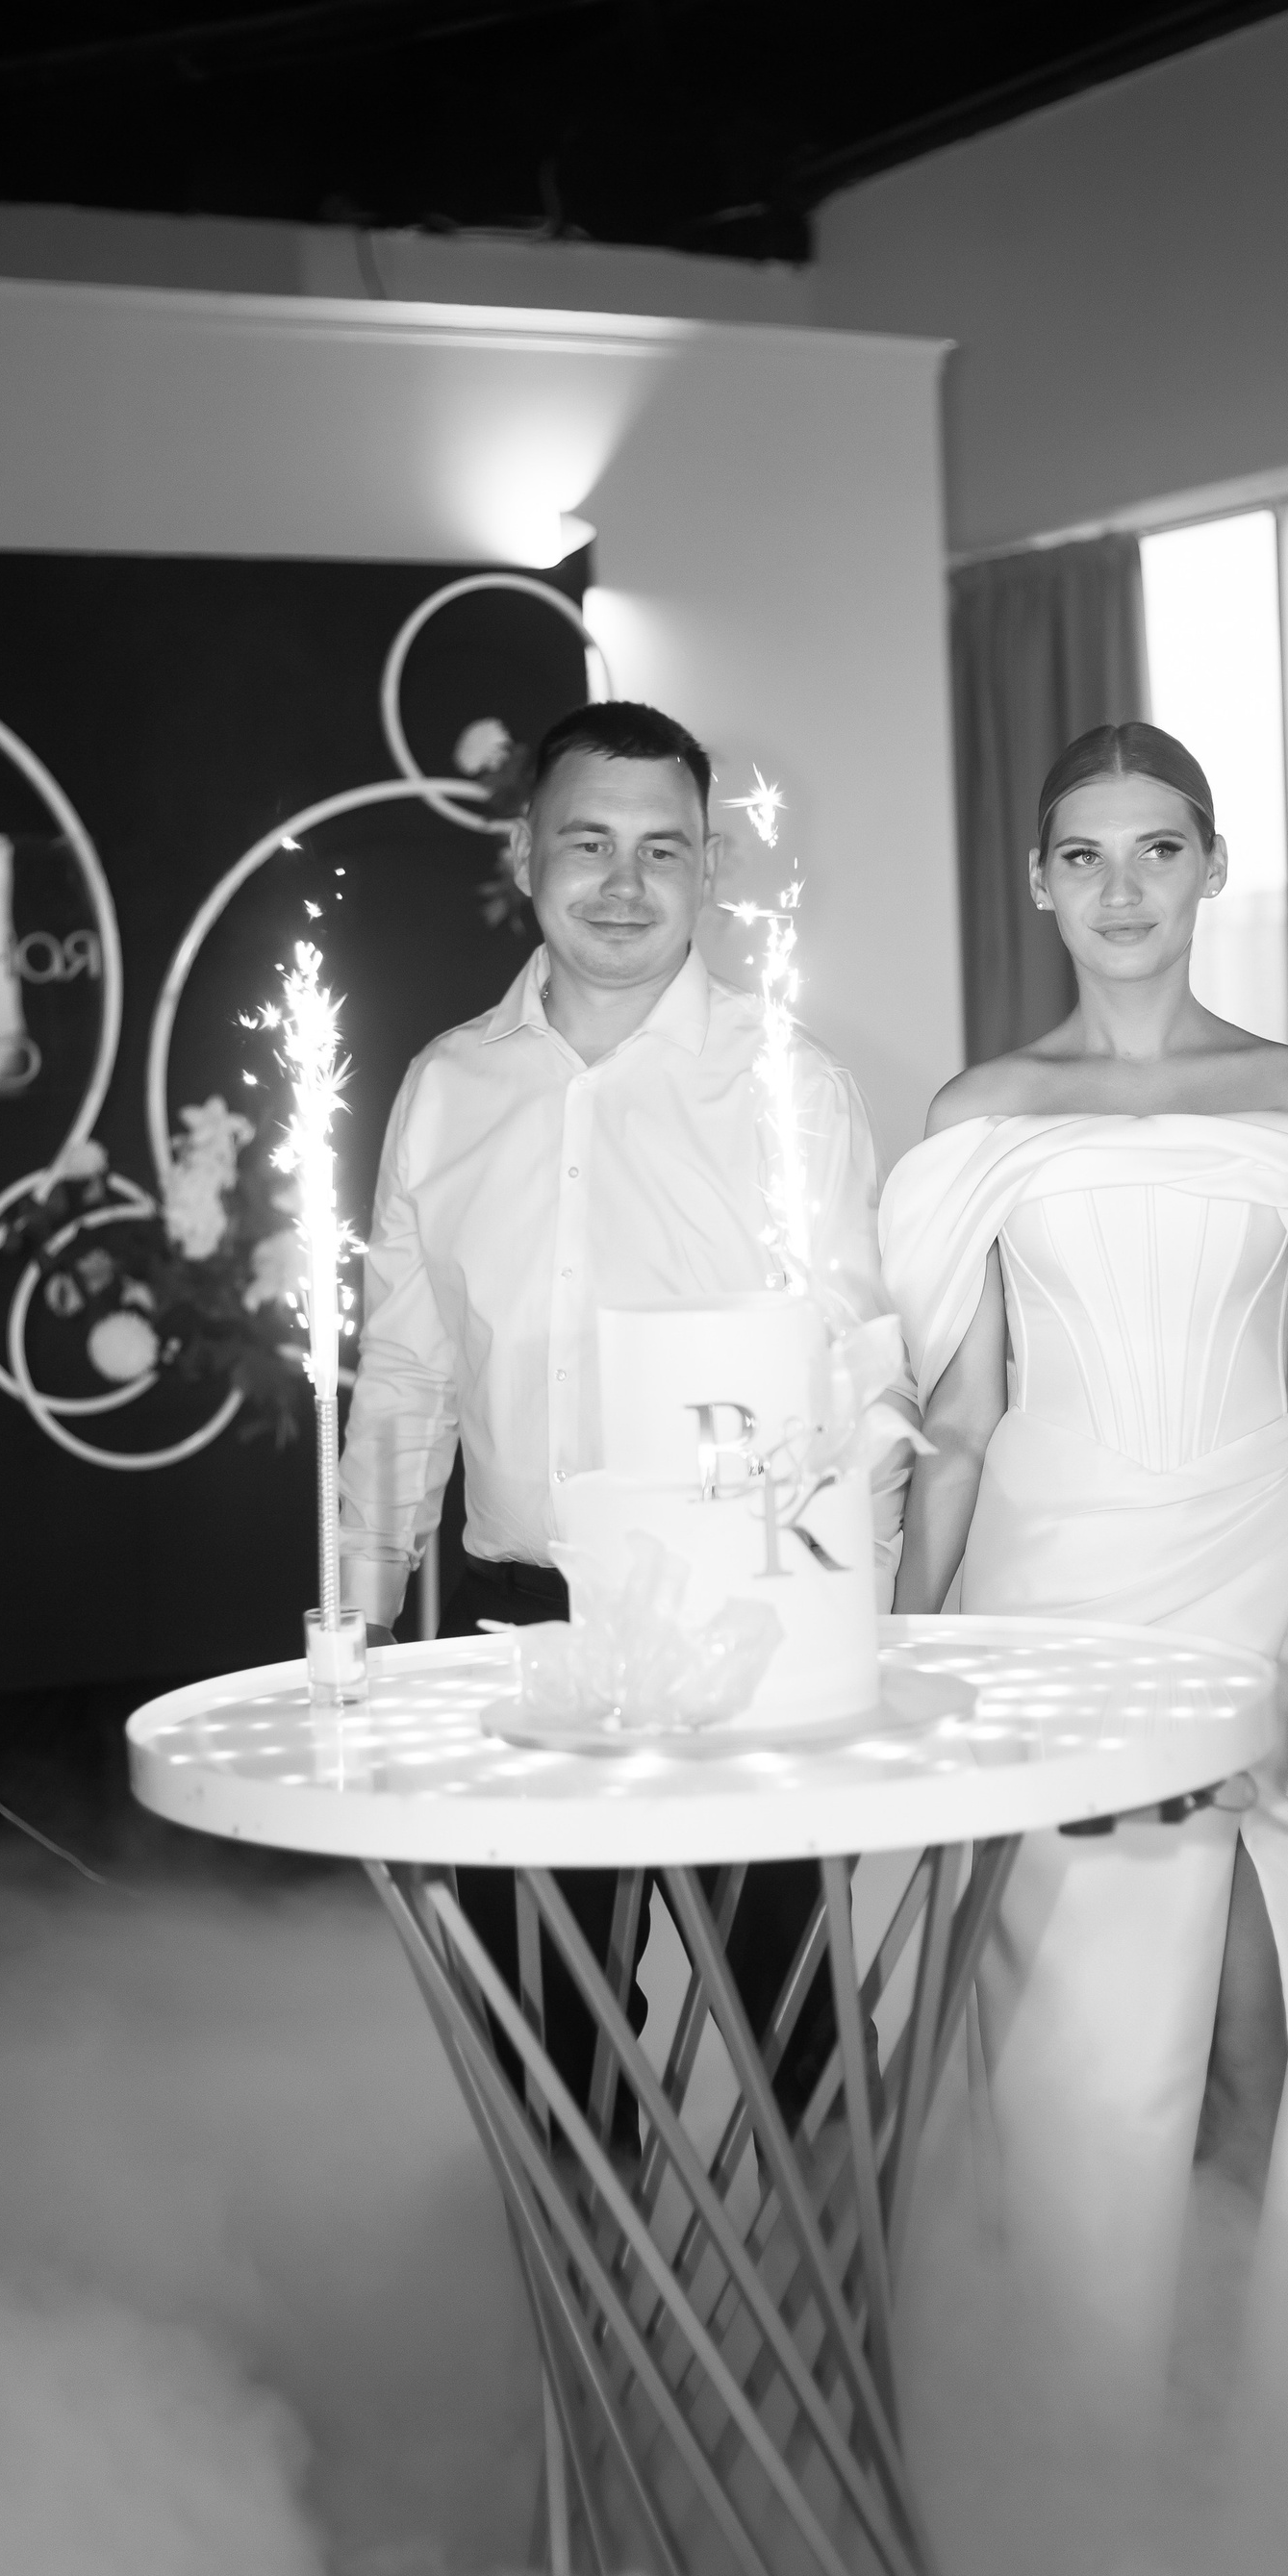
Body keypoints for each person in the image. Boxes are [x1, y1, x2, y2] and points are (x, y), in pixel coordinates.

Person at [882, 720, 1288, 2498]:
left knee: (1258, 2032)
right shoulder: (979, 1114)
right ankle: (1072, 2428)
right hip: (1046, 1597)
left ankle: (1229, 2424)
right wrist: (885, 1654)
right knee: (1066, 2048)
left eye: (1159, 850)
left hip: (1252, 1583)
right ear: (1039, 880)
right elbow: (961, 1421)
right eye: (1086, 855)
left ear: (1213, 867)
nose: (1122, 889)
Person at [340, 698, 913, 2143]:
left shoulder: (788, 1086)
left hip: (751, 1625)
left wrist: (862, 1634)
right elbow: (405, 1372)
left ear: (709, 867)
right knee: (548, 2041)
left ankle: (833, 2281)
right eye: (588, 842)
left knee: (798, 2034)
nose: (624, 882)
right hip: (523, 1620)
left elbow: (856, 1377)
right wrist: (355, 1605)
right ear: (524, 854)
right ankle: (590, 2296)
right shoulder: (446, 1087)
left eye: (665, 849)